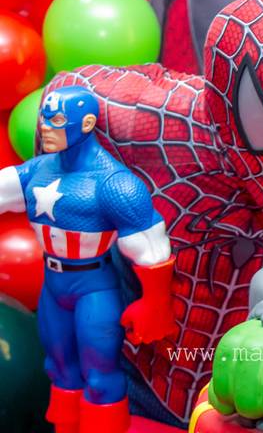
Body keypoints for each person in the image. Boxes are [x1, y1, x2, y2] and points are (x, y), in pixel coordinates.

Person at [0, 86, 176, 433]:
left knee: (100, 377)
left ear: (87, 123)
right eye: (44, 119)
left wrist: (155, 302)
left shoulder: (114, 183)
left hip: (94, 288)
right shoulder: (36, 171)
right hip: (53, 287)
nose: (46, 127)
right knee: (59, 371)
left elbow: (151, 245)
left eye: (57, 119)